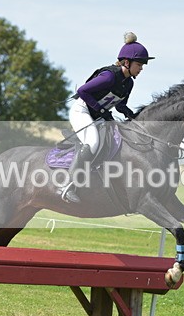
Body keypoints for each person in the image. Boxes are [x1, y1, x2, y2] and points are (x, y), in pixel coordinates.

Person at [60, 32, 154, 203]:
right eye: (139, 64)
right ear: (127, 62)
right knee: (93, 142)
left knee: (116, 141)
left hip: (98, 116)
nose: (141, 68)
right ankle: (68, 185)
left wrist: (133, 116)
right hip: (82, 111)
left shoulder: (128, 82)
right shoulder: (109, 76)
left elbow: (120, 105)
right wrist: (101, 110)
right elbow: (82, 91)